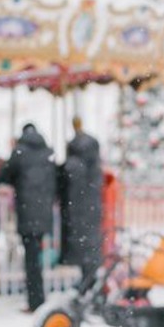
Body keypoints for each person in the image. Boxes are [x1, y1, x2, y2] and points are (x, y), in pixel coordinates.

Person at [0, 123, 56, 313]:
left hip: (27, 212)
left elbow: (6, 174)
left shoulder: (20, 152)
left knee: (31, 259)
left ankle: (36, 301)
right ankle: (38, 297)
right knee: (36, 257)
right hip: (44, 212)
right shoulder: (48, 153)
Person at [58, 116, 103, 286]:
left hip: (79, 207)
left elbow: (71, 184)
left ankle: (87, 278)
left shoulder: (75, 164)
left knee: (83, 241)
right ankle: (90, 277)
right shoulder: (92, 164)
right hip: (89, 205)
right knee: (89, 241)